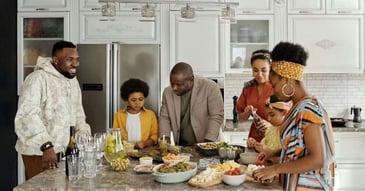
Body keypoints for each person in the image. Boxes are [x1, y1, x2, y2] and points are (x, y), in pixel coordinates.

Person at [253, 42, 335, 191]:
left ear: (287, 80)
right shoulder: (300, 107)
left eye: (274, 84)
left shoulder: (308, 110)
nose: (273, 91)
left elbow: (318, 159)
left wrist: (275, 169)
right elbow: (299, 146)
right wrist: (275, 153)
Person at [14, 40, 91, 180]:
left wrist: (85, 139)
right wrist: (46, 146)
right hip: (40, 153)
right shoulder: (37, 79)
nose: (76, 64)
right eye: (70, 59)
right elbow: (27, 115)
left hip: (64, 152)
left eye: (77, 59)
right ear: (55, 60)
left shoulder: (72, 81)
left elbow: (78, 113)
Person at [159, 62, 224, 146]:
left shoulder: (210, 87)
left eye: (179, 84)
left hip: (209, 142)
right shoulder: (167, 92)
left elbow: (216, 116)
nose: (174, 88)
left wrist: (206, 144)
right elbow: (164, 118)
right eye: (172, 83)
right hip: (182, 145)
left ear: (191, 80)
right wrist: (165, 140)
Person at [236, 49, 273, 143]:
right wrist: (246, 113)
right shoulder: (248, 88)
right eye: (255, 70)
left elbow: (289, 118)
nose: (259, 75)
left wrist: (271, 126)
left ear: (271, 69)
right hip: (254, 139)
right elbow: (240, 118)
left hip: (275, 137)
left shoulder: (278, 88)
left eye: (264, 70)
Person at [113, 78, 158, 149]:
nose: (137, 103)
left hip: (145, 152)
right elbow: (115, 136)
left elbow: (155, 135)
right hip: (125, 151)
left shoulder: (150, 115)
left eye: (141, 99)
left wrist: (145, 143)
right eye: (133, 100)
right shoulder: (119, 115)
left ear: (144, 98)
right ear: (126, 100)